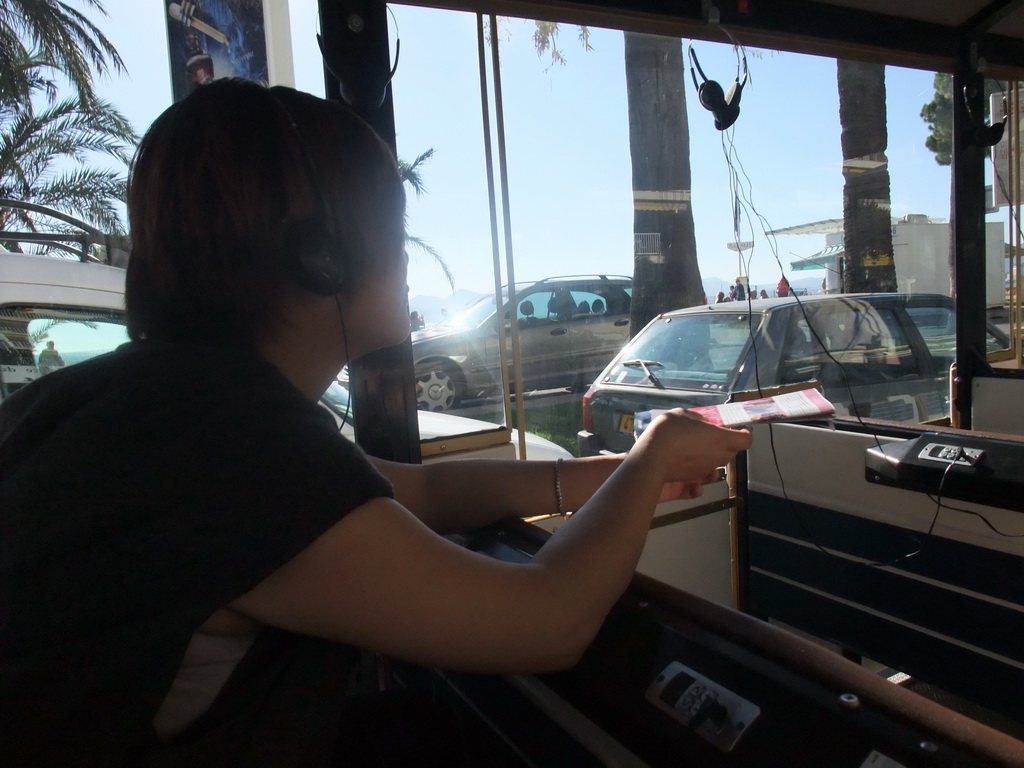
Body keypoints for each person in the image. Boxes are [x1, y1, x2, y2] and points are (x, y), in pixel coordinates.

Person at [0, 79, 751, 767]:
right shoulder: (235, 449)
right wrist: (652, 455)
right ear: (322, 259)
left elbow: (408, 494)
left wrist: (602, 479)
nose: (407, 261)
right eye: (392, 232)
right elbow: (551, 620)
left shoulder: (146, 407)